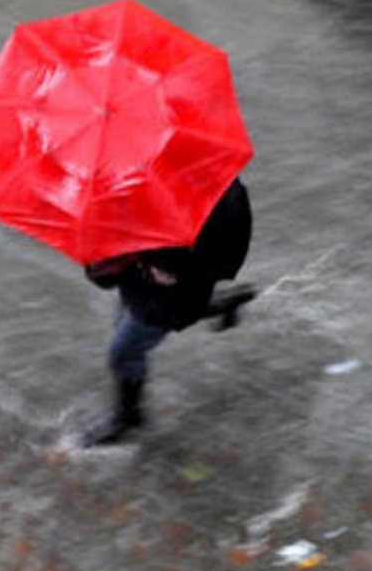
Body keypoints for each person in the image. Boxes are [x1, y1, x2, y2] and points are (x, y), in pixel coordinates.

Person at [81, 178, 256, 446]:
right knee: (126, 321)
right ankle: (225, 303)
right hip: (144, 292)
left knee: (122, 353)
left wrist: (149, 262)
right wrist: (103, 266)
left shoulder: (201, 208)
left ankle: (128, 418)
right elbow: (107, 276)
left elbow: (196, 269)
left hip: (170, 299)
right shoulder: (129, 193)